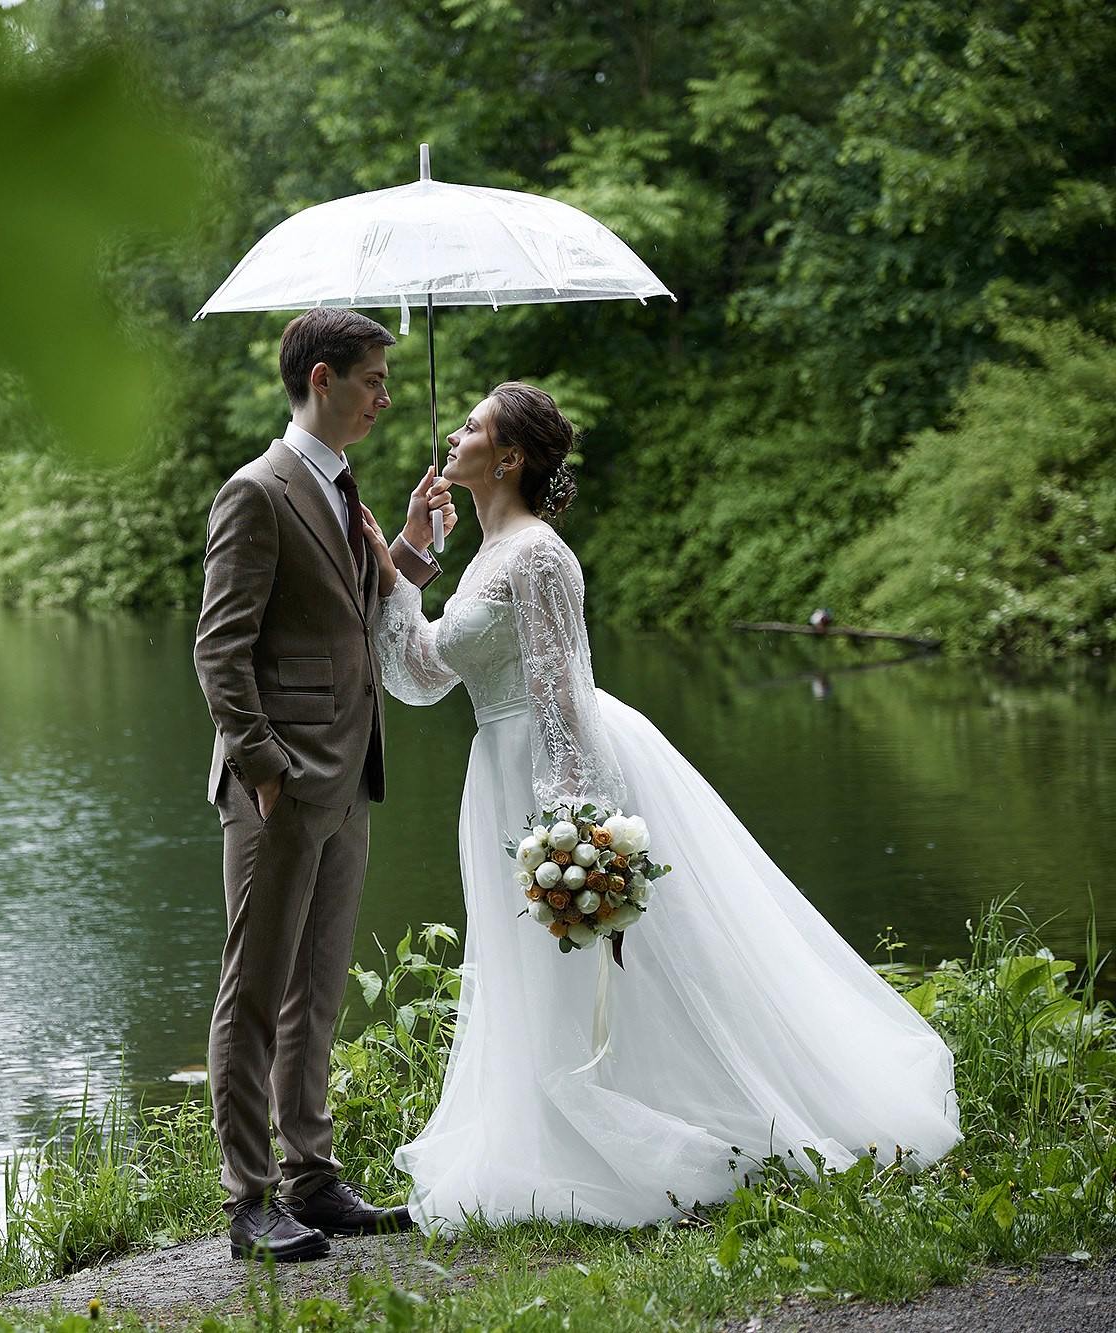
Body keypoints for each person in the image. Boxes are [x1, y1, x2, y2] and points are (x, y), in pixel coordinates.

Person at [359, 381, 961, 1230]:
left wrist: (570, 833)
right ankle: (546, 1138)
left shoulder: (539, 556)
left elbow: (561, 694)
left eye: (473, 426)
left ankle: (662, 1124)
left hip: (548, 774)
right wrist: (407, 555)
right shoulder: (486, 556)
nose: (453, 434)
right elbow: (419, 676)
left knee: (607, 959)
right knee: (529, 971)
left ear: (509, 458)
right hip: (493, 771)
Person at [193, 307, 450, 1261]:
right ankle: (249, 1200)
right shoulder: (256, 492)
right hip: (282, 785)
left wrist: (416, 539)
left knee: (318, 989)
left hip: (350, 777)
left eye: (387, 379)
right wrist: (263, 769)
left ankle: (312, 1176)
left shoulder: (346, 489)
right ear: (323, 379)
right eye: (374, 378)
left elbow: (372, 612)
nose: (386, 395)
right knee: (255, 991)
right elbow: (220, 652)